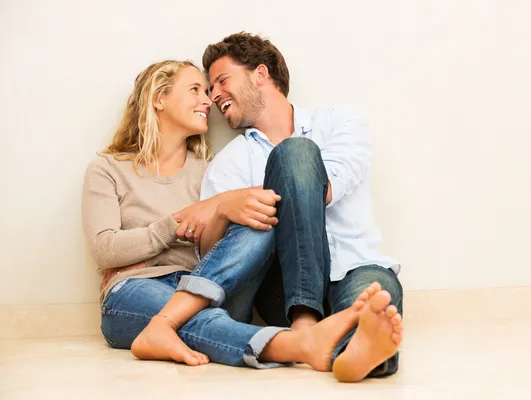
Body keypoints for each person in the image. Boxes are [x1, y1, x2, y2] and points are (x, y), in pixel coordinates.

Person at [82, 59, 402, 373]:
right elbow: (106, 248)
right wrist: (178, 224)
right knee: (207, 314)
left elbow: (214, 252)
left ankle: (341, 351)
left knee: (258, 216)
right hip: (144, 285)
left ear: (261, 74)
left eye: (212, 87)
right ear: (159, 98)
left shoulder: (205, 169)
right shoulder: (108, 169)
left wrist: (222, 207)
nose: (209, 99)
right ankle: (303, 343)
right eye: (197, 89)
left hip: (206, 288)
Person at [179, 32, 404, 382]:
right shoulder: (229, 163)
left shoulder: (339, 123)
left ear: (261, 74)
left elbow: (327, 186)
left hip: (353, 267)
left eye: (222, 80)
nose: (214, 95)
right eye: (210, 88)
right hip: (280, 289)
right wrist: (224, 208)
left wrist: (254, 197)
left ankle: (351, 355)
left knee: (376, 296)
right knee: (295, 155)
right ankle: (305, 322)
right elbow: (214, 257)